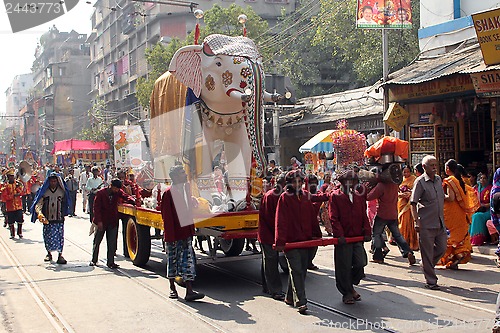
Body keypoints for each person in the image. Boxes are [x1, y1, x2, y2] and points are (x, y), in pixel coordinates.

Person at [274, 170, 327, 314]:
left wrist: (316, 235)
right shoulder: (284, 198)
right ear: (289, 183)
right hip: (291, 242)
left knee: (301, 270)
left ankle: (290, 297)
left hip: (305, 240)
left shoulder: (305, 196)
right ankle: (301, 301)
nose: (297, 184)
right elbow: (281, 221)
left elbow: (312, 214)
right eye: (294, 182)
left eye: (299, 181)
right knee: (297, 270)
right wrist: (280, 241)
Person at [161, 165, 204, 301]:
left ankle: (189, 291)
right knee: (172, 260)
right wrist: (170, 236)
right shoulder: (168, 193)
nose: (185, 174)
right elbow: (167, 217)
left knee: (188, 261)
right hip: (174, 233)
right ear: (174, 176)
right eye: (182, 173)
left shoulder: (186, 188)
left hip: (186, 231)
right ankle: (172, 288)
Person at [329, 170, 371, 305]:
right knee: (344, 266)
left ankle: (351, 285)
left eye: (353, 181)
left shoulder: (358, 196)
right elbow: (333, 218)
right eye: (348, 181)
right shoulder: (335, 196)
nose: (351, 184)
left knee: (360, 262)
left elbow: (363, 214)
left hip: (357, 236)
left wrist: (367, 231)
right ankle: (347, 292)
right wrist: (339, 235)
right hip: (344, 238)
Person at [410, 155, 447, 290]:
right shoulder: (420, 182)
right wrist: (416, 222)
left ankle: (426, 264)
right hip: (425, 223)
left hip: (440, 222)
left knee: (442, 248)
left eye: (436, 165)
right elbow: (413, 203)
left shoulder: (438, 180)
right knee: (426, 252)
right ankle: (431, 281)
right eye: (432, 165)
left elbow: (442, 197)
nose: (435, 168)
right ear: (424, 167)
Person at [367, 166, 416, 265]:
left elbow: (369, 197)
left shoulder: (381, 186)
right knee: (397, 235)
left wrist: (367, 188)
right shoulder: (394, 184)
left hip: (382, 214)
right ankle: (408, 252)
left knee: (376, 234)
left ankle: (378, 256)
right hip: (393, 213)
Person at [437, 160, 479, 270]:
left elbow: (450, 198)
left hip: (451, 213)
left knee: (450, 236)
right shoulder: (459, 180)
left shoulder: (450, 180)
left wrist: (440, 195)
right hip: (460, 212)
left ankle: (450, 258)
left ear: (448, 169)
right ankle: (456, 257)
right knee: (459, 235)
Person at [90, 178, 135, 268]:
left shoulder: (118, 192)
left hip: (112, 221)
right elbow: (96, 209)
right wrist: (98, 221)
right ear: (111, 186)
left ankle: (110, 262)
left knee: (112, 242)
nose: (116, 190)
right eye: (115, 188)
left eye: (118, 189)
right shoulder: (101, 193)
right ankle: (94, 260)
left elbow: (125, 196)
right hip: (101, 221)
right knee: (97, 241)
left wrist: (132, 200)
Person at [30, 172, 71, 264]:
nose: (53, 183)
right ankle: (49, 254)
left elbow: (66, 203)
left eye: (55, 181)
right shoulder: (44, 191)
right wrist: (39, 213)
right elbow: (38, 203)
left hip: (59, 218)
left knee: (59, 237)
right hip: (47, 219)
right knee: (47, 236)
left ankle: (60, 255)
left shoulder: (62, 191)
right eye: (51, 181)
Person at [258, 172, 286, 301]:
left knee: (268, 261)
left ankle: (266, 286)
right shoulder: (271, 196)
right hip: (268, 234)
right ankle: (275, 290)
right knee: (271, 260)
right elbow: (271, 219)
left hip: (274, 233)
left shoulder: (283, 195)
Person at [398, 166, 419, 251]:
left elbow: (415, 191)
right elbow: (397, 191)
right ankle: (404, 242)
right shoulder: (400, 180)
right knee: (402, 222)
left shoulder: (414, 179)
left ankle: (412, 242)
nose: (406, 174)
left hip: (409, 205)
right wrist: (401, 194)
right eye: (404, 172)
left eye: (407, 172)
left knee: (409, 222)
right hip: (401, 203)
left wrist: (409, 194)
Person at [470, 173, 492, 245]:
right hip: (478, 209)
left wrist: (484, 205)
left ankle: (478, 239)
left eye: (484, 178)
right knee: (469, 216)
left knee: (477, 216)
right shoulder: (476, 189)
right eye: (481, 178)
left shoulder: (490, 188)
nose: (482, 180)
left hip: (489, 210)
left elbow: (493, 203)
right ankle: (469, 238)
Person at [2, 169, 25, 239]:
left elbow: (22, 192)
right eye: (10, 176)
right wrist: (12, 196)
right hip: (10, 207)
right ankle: (12, 234)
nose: (12, 178)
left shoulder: (17, 184)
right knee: (11, 221)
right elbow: (4, 197)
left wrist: (18, 190)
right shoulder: (5, 186)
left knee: (20, 220)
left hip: (18, 206)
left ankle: (20, 233)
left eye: (12, 176)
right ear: (8, 177)